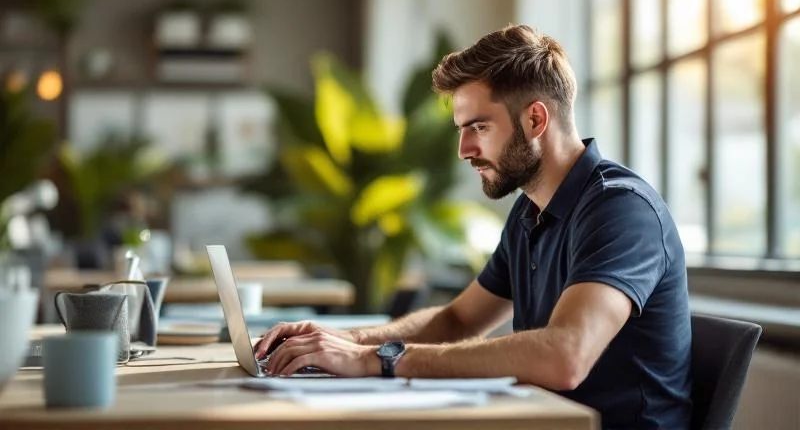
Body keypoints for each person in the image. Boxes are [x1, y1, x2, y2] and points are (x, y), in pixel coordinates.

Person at [254, 24, 692, 429]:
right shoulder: (530, 212)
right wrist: (342, 341)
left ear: (536, 120)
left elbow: (565, 356)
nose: (464, 149)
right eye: (462, 129)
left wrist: (377, 359)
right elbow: (458, 318)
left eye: (479, 127)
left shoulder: (620, 209)